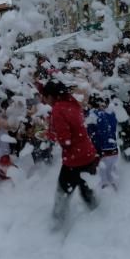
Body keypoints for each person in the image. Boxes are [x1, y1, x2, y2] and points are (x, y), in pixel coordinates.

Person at [42, 80, 98, 227]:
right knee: (86, 189)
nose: (44, 100)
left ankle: (57, 223)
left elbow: (65, 140)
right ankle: (98, 218)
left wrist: (49, 135)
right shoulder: (72, 102)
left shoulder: (58, 109)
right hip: (89, 154)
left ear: (51, 96)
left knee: (63, 192)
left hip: (75, 159)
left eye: (45, 97)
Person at [87, 94, 119, 189]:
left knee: (103, 176)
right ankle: (115, 188)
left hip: (102, 151)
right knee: (110, 172)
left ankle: (107, 195)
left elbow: (90, 133)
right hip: (114, 149)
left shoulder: (93, 115)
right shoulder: (111, 113)